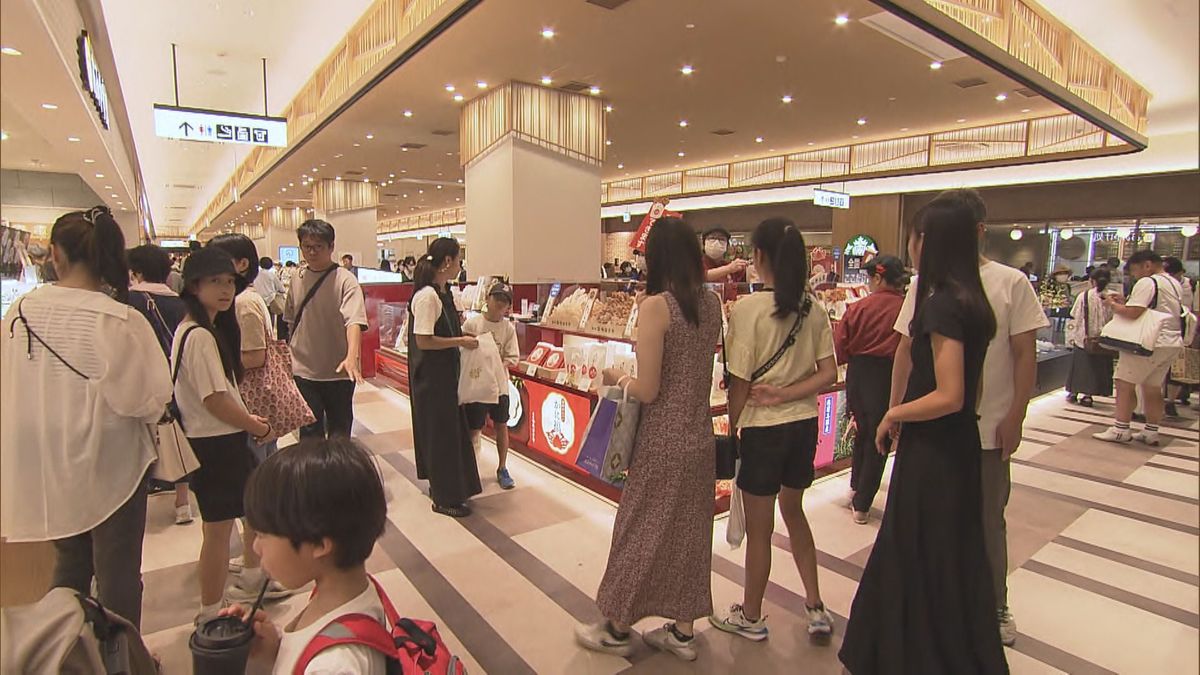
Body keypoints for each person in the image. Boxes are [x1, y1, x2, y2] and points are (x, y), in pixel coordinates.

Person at [841, 192, 1008, 675]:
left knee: (914, 549)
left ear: (927, 242)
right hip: (956, 445)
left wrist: (895, 415)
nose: (911, 246)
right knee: (949, 553)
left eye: (915, 237)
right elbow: (969, 396)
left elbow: (949, 392)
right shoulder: (972, 301)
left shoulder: (940, 304)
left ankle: (904, 653)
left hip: (933, 450)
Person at [1, 207, 172, 629]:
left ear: (55, 254)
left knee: (69, 564)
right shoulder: (119, 319)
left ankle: (65, 650)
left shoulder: (21, 312)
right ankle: (120, 658)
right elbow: (150, 400)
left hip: (46, 462)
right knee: (117, 576)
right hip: (114, 464)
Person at [890, 189, 1046, 647]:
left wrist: (1016, 413)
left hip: (986, 422)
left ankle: (993, 605)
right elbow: (905, 350)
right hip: (931, 430)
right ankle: (939, 608)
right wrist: (894, 412)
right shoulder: (923, 285)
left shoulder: (1009, 282)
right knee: (931, 523)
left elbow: (1023, 353)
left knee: (985, 518)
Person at [575, 218, 722, 662]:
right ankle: (682, 631)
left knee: (638, 530)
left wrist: (617, 375)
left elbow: (649, 389)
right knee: (689, 535)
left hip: (662, 441)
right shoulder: (711, 303)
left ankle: (617, 626)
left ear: (656, 258)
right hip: (700, 437)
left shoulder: (657, 307)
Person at [707, 218, 837, 643]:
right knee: (795, 513)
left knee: (760, 531)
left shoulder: (747, 310)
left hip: (763, 432)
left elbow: (740, 382)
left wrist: (737, 422)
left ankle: (751, 615)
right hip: (803, 427)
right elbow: (828, 373)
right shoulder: (813, 308)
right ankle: (816, 606)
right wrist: (789, 394)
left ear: (758, 257)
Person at [173, 247, 279, 623]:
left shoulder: (201, 329)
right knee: (217, 533)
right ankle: (209, 611)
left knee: (247, 512)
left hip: (215, 440)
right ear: (193, 285)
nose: (225, 289)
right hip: (215, 444)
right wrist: (255, 425)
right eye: (215, 282)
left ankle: (252, 576)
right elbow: (215, 399)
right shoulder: (200, 335)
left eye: (229, 282)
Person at [219, 438, 388, 674]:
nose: (256, 548)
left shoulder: (334, 666)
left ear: (319, 544)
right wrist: (276, 650)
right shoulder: (346, 592)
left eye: (263, 535)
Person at [408, 238, 483, 518]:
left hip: (442, 376)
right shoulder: (428, 296)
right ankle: (444, 497)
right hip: (432, 378)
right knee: (441, 435)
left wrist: (461, 335)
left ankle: (445, 487)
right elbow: (424, 341)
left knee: (446, 433)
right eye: (459, 259)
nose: (461, 265)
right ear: (448, 262)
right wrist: (459, 341)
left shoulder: (441, 292)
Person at [833, 254, 908, 524]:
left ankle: (855, 488)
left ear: (878, 278)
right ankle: (862, 502)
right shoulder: (907, 308)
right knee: (881, 437)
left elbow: (840, 345)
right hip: (888, 375)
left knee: (862, 431)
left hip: (858, 373)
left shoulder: (859, 307)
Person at [127, 244, 194, 525]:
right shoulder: (182, 303)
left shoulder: (129, 303)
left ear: (136, 271)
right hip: (175, 378)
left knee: (140, 442)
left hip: (139, 380)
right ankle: (183, 502)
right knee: (176, 435)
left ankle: (137, 501)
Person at [285, 220, 369, 439]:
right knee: (309, 432)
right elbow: (291, 320)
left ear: (331, 247)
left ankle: (338, 474)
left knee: (339, 431)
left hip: (338, 372)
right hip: (303, 369)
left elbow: (354, 321)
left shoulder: (345, 280)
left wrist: (352, 357)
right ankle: (313, 474)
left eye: (318, 247)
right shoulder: (297, 278)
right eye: (306, 247)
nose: (311, 252)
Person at [1094, 250, 1186, 446]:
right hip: (1170, 341)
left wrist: (1112, 304)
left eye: (1135, 272)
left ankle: (1120, 428)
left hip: (1148, 342)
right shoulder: (1174, 283)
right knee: (1152, 387)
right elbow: (1154, 309)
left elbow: (1134, 313)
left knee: (1123, 382)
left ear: (1147, 265)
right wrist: (1124, 302)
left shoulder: (1148, 282)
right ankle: (1151, 431)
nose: (1135, 276)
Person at [462, 283, 520, 490]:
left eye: (504, 302)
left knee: (501, 425)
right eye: (496, 299)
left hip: (499, 386)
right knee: (474, 428)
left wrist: (498, 364)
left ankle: (502, 467)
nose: (499, 305)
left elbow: (512, 357)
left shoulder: (508, 328)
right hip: (477, 385)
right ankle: (470, 469)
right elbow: (463, 351)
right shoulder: (472, 324)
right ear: (487, 299)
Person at [1065, 268, 1115, 408]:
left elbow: (1075, 315)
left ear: (1091, 281)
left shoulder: (1084, 296)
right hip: (1103, 338)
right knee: (1096, 367)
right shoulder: (1113, 297)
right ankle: (1088, 396)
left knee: (1079, 366)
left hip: (1083, 337)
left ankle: (1073, 392)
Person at [1163, 256, 1194, 415]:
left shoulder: (1190, 285)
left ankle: (1170, 401)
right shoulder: (1163, 283)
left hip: (1183, 331)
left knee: (1178, 369)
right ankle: (1162, 398)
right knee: (1162, 368)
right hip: (1164, 331)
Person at [254, 256, 287, 338]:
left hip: (258, 301)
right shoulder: (271, 275)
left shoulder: (255, 275)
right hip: (270, 301)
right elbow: (281, 288)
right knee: (270, 322)